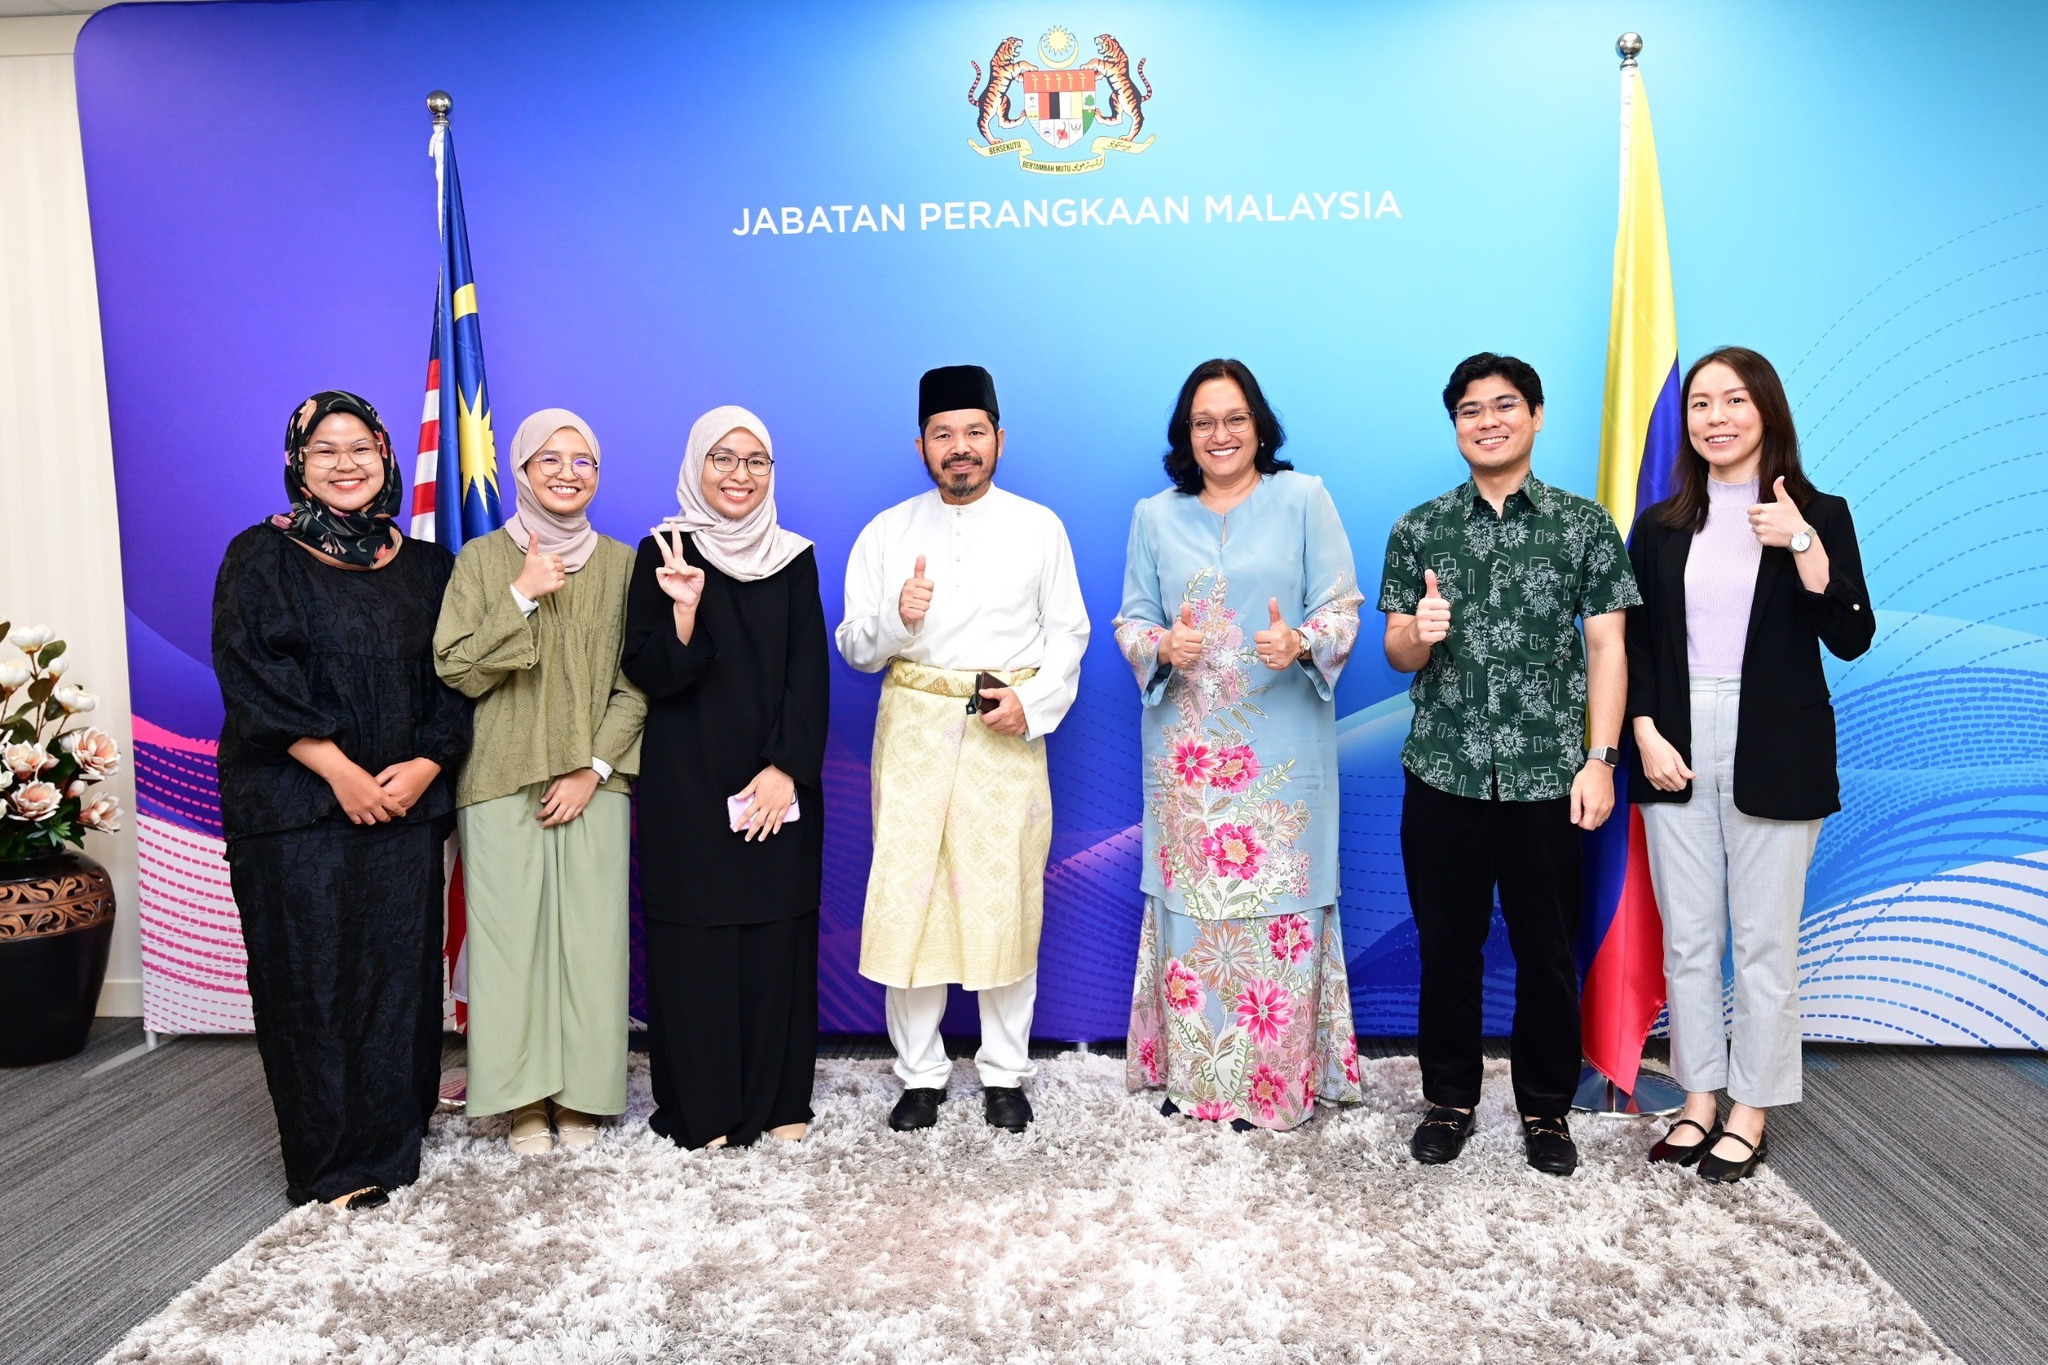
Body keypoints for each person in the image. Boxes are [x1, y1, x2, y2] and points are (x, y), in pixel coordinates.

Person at [1378, 353, 1639, 1176]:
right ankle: (1449, 1100)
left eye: (1503, 406)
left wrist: (1600, 759)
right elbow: (1395, 650)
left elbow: (1608, 646)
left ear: (1535, 415)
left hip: (1547, 777)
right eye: (1469, 410)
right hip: (1445, 770)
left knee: (1547, 952)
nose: (1487, 421)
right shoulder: (1420, 528)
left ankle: (1545, 1109)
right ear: (1454, 425)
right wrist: (1418, 632)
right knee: (1446, 949)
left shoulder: (1583, 525)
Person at [212, 390, 470, 1209]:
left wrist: (426, 763)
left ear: (386, 455)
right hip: (296, 806)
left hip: (405, 802)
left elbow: (459, 678)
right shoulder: (261, 556)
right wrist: (341, 772)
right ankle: (331, 1163)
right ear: (299, 462)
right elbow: (253, 677)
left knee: (397, 975)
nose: (345, 463)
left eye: (360, 446)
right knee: (311, 975)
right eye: (325, 449)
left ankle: (393, 1138)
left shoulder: (429, 567)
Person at [1628, 347, 1873, 1183]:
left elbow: (1851, 634)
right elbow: (1636, 640)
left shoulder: (1819, 513)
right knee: (1690, 938)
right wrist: (1644, 729)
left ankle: (1751, 1110)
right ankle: (1699, 1096)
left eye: (1734, 400)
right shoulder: (1660, 524)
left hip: (1776, 739)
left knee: (1764, 941)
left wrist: (1800, 541)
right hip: (1675, 737)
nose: (1716, 417)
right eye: (1701, 403)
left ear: (1766, 409)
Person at [836, 365, 1090, 1134]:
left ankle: (1005, 1071)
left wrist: (1030, 706)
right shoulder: (886, 532)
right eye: (943, 434)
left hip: (1001, 728)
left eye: (974, 432)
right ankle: (919, 1073)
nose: (960, 447)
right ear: (920, 446)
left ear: (999, 440)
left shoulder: (1039, 527)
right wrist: (897, 617)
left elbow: (1069, 634)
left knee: (1003, 896)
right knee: (910, 897)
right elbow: (855, 647)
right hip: (913, 731)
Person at [1116, 358, 1366, 1131]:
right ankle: (1199, 1080)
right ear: (1185, 434)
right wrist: (1162, 645)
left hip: (1282, 752)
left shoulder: (1304, 498)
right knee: (1195, 912)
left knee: (1278, 908)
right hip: (1189, 758)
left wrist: (1302, 639)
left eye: (1234, 418)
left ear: (1259, 426)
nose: (1220, 434)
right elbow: (1132, 619)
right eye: (1203, 422)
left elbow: (1343, 607)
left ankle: (1273, 1087)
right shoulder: (1153, 516)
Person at [433, 409, 645, 1156]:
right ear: (520, 471)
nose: (566, 472)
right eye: (548, 459)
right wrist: (520, 594)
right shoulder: (481, 560)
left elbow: (638, 684)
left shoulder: (623, 565)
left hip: (596, 784)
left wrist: (594, 768)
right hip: (499, 779)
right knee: (510, 946)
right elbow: (456, 667)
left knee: (591, 942)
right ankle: (522, 1100)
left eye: (582, 460)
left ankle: (582, 1095)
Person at [622, 406, 828, 1151]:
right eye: (723, 459)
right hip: (687, 784)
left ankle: (780, 1100)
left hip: (777, 782)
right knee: (697, 946)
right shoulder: (663, 551)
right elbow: (649, 674)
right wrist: (683, 612)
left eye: (755, 461)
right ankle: (703, 1109)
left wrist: (787, 769)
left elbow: (810, 675)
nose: (740, 475)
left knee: (777, 938)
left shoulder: (794, 558)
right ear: (696, 465)